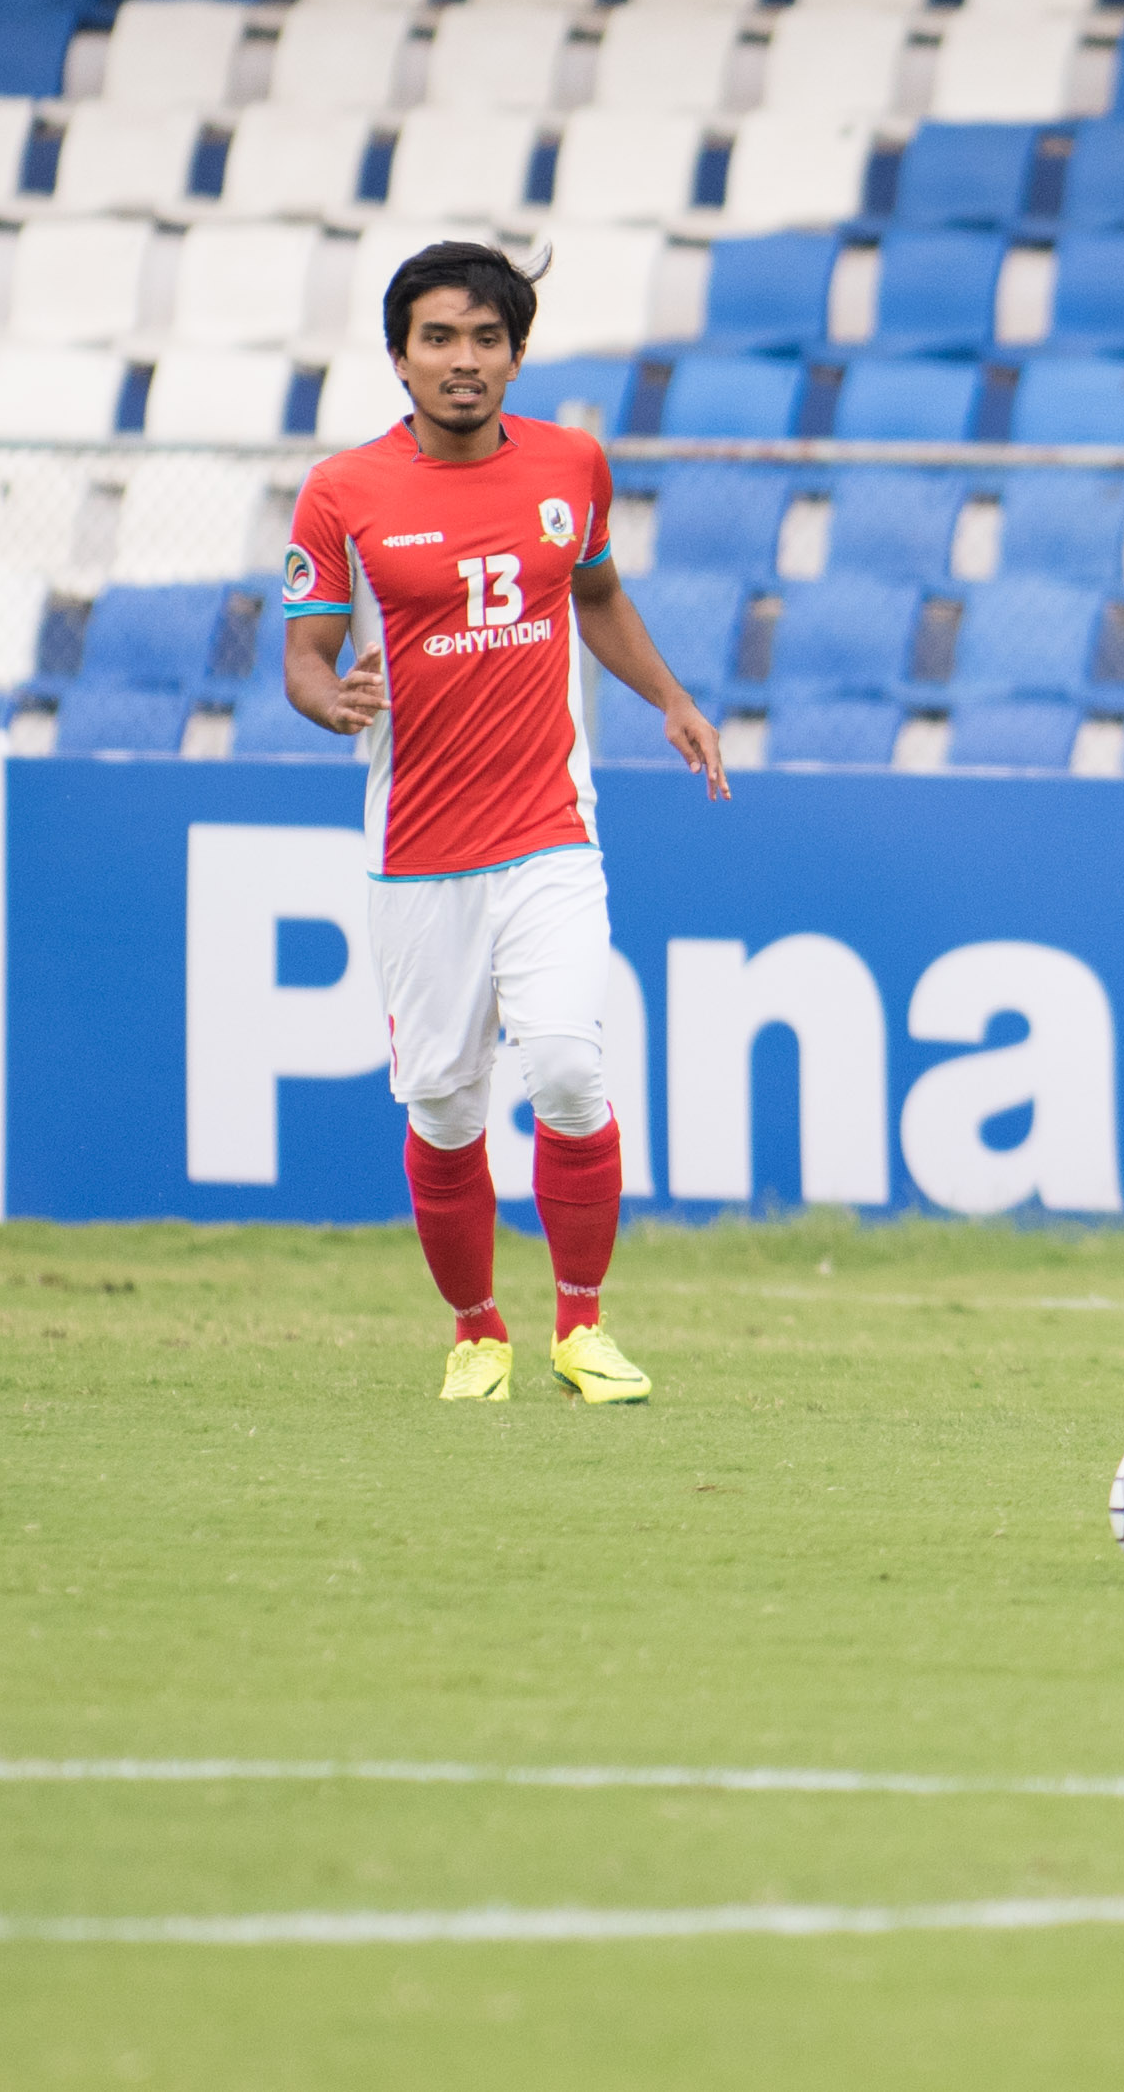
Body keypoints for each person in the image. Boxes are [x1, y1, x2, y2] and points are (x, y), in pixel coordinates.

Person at [280, 241, 730, 1406]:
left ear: (518, 354)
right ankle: (478, 1331)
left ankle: (581, 1327)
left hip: (549, 828)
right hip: (416, 852)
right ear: (400, 356)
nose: (464, 361)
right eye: (439, 338)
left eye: (487, 339)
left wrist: (672, 700)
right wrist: (331, 700)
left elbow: (597, 596)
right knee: (442, 1105)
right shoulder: (343, 492)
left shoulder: (574, 464)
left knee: (571, 1070)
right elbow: (304, 656)